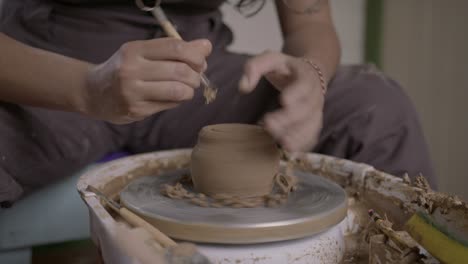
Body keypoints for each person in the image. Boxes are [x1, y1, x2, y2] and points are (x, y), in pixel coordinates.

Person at [0, 0, 434, 207]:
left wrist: (312, 76)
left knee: (374, 109)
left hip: (193, 63)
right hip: (49, 60)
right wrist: (87, 88)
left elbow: (310, 21)